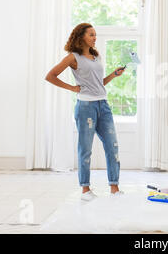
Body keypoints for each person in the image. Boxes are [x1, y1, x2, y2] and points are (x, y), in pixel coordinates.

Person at [45, 23, 126, 201]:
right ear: (81, 36)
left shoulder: (96, 56)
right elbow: (50, 76)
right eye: (91, 34)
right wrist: (72, 88)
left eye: (95, 35)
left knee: (112, 147)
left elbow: (98, 84)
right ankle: (85, 190)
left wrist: (113, 75)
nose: (95, 38)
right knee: (85, 149)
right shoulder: (72, 57)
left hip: (103, 105)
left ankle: (114, 188)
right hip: (85, 108)